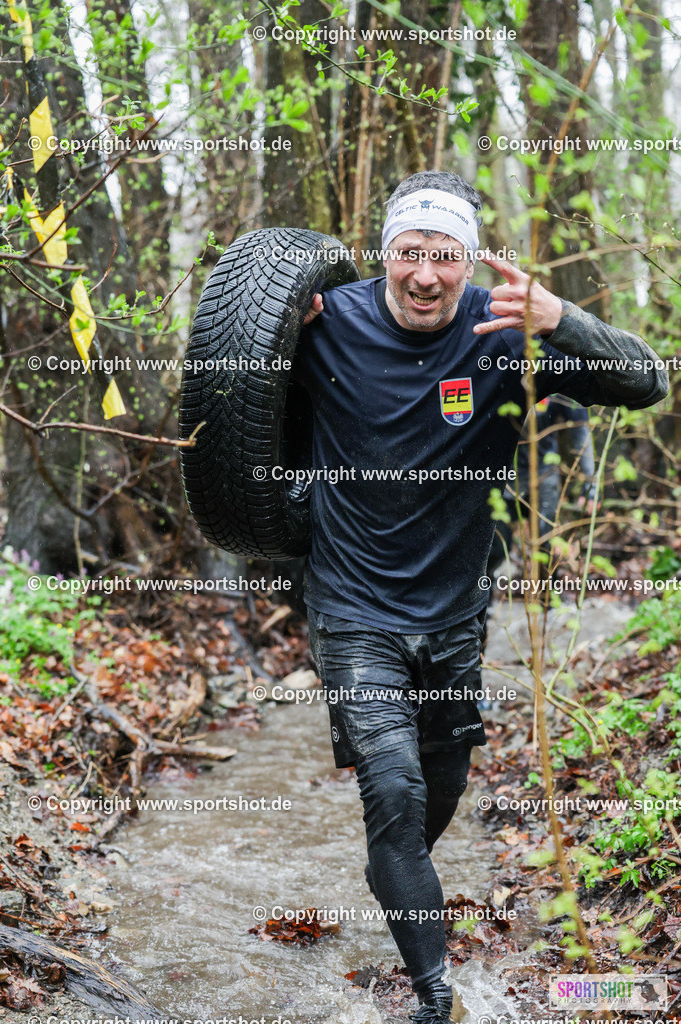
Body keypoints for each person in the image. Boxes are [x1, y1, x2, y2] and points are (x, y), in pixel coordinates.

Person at [291, 170, 668, 1024]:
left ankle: (394, 871)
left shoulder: (502, 334)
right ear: (384, 252)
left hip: (456, 613)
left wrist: (558, 319)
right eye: (409, 253)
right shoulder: (325, 325)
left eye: (445, 257)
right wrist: (277, 329)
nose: (425, 275)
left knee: (440, 785)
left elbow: (647, 382)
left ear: (468, 261)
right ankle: (437, 999)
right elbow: (222, 408)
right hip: (352, 608)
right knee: (392, 789)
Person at [486, 393, 598, 584]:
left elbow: (580, 430)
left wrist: (591, 487)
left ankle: (548, 604)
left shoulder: (556, 373)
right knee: (493, 547)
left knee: (545, 545)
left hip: (544, 474)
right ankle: (483, 606)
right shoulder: (499, 372)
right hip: (503, 475)